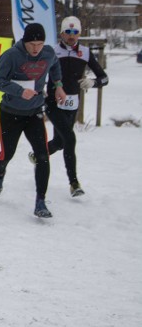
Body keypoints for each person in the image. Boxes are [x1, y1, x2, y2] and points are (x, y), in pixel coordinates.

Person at [0, 23, 65, 218]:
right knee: (8, 153)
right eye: (32, 44)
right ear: (24, 41)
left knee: (42, 155)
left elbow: (55, 65)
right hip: (10, 112)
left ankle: (40, 201)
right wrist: (19, 91)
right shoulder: (11, 56)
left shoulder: (48, 53)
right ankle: (0, 172)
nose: (35, 48)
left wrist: (58, 85)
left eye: (39, 44)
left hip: (34, 112)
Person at [37, 16, 109, 197]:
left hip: (72, 104)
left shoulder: (84, 52)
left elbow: (104, 78)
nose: (71, 36)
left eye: (75, 32)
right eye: (68, 32)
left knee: (60, 142)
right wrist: (40, 91)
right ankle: (74, 183)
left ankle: (39, 153)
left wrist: (93, 82)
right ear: (61, 33)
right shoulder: (51, 51)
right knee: (69, 139)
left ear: (79, 33)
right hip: (53, 103)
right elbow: (36, 72)